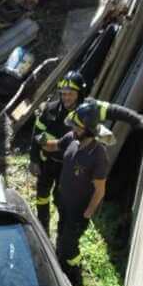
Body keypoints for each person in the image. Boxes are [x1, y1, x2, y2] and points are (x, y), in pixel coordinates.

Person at [37, 100, 143, 286]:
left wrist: (88, 213)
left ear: (89, 130)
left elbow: (100, 190)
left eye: (77, 126)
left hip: (79, 212)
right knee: (62, 241)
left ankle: (74, 276)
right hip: (65, 205)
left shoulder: (97, 155)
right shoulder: (71, 139)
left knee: (68, 246)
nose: (73, 128)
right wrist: (41, 141)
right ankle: (63, 267)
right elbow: (55, 145)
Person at [28, 70, 87, 232]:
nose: (66, 97)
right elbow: (36, 134)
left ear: (79, 93)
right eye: (63, 93)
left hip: (68, 168)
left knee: (62, 201)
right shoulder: (49, 109)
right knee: (42, 195)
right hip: (47, 163)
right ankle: (42, 227)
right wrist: (34, 160)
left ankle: (62, 232)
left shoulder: (85, 115)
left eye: (71, 94)